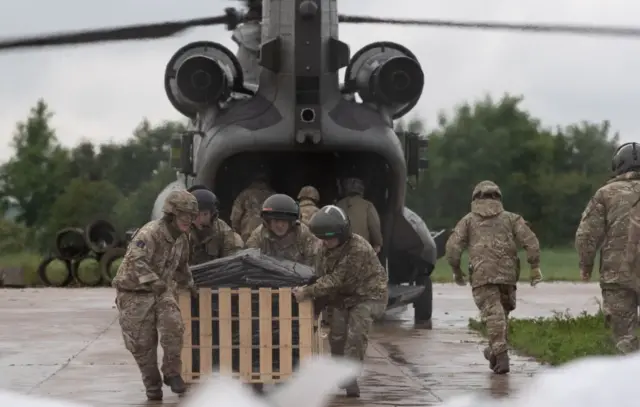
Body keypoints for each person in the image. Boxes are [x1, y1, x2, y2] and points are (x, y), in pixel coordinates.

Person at [445, 180, 541, 374]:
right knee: (500, 316)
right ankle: (495, 352)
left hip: (482, 276)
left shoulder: (468, 221)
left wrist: (456, 270)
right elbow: (530, 241)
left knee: (493, 315)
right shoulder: (512, 219)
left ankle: (501, 354)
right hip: (507, 276)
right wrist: (534, 266)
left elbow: (453, 248)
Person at [292, 205, 388, 398]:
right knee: (336, 338)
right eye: (323, 238)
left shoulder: (357, 248)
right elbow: (318, 273)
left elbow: (336, 279)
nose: (326, 242)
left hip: (368, 295)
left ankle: (351, 377)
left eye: (330, 238)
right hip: (342, 296)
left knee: (355, 335)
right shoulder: (322, 247)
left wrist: (307, 292)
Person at [111, 190, 199, 401]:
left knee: (174, 325)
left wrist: (191, 285)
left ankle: (172, 373)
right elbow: (135, 260)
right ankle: (152, 386)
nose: (188, 220)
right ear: (172, 214)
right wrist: (154, 281)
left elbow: (182, 266)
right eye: (184, 215)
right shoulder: (150, 233)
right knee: (142, 346)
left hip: (161, 291)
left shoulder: (182, 238)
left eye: (191, 216)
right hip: (134, 293)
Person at [577, 142, 640, 354]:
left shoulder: (605, 194)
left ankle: (629, 379)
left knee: (624, 338)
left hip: (618, 275)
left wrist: (586, 265)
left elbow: (587, 234)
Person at [246, 193, 318, 265]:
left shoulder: (304, 234)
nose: (280, 225)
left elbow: (314, 266)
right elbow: (249, 263)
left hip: (298, 275)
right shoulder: (259, 235)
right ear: (268, 222)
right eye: (276, 221)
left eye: (284, 221)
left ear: (291, 222)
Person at [189, 188, 244, 264]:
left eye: (205, 214)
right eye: (195, 214)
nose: (200, 219)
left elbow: (233, 266)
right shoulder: (183, 230)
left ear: (212, 214)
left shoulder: (225, 234)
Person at [336, 177, 383, 253]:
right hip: (361, 250)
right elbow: (374, 226)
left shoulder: (338, 205)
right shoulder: (368, 205)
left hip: (340, 250)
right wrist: (377, 244)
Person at [230, 172, 275, 241]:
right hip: (268, 232)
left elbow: (236, 214)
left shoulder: (245, 194)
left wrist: (235, 230)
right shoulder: (274, 196)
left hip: (248, 231)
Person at [232, 0, 262, 88]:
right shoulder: (247, 30)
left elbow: (239, 36)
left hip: (251, 83)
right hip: (248, 82)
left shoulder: (250, 31)